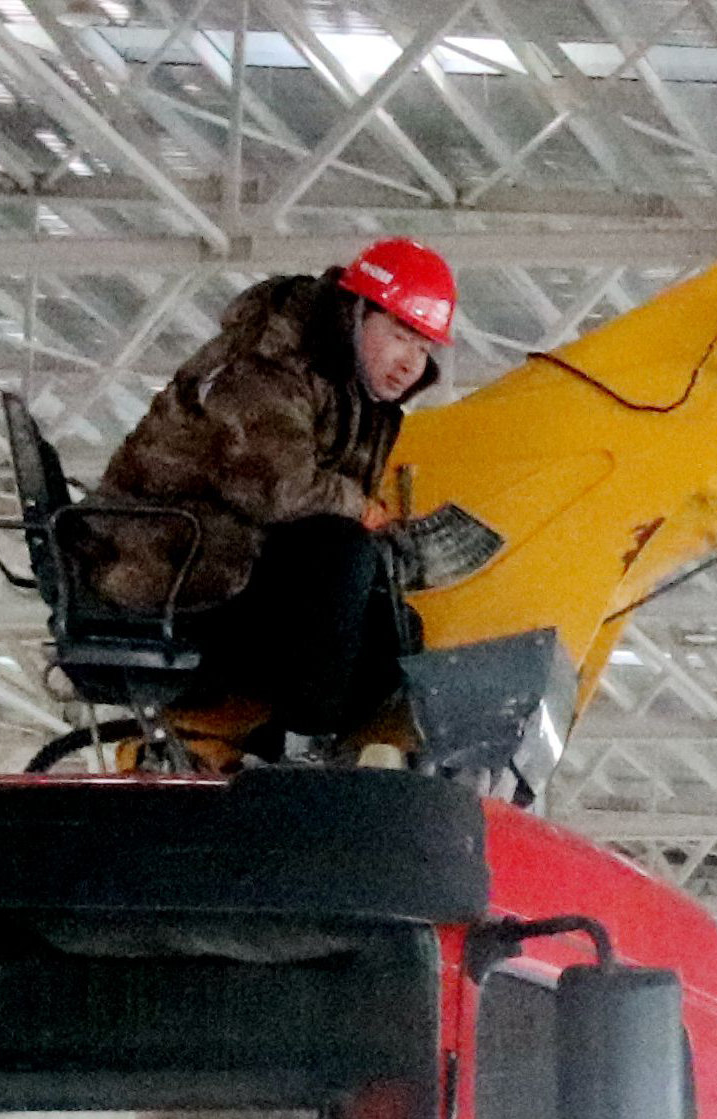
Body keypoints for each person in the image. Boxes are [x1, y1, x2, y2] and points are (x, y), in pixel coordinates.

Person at [92, 238, 460, 747]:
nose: (410, 363)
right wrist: (364, 513)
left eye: (423, 349)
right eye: (400, 336)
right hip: (163, 567)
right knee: (342, 556)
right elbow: (278, 488)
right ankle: (300, 745)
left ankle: (277, 750)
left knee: (395, 636)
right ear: (356, 314)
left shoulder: (353, 390)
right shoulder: (269, 361)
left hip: (221, 561)